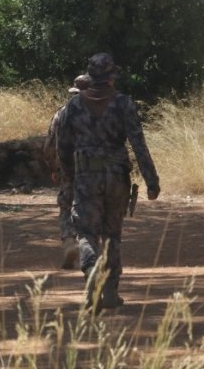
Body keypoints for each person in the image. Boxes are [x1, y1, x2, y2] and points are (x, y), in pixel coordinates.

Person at [56, 52, 160, 310]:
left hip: (85, 178)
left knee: (87, 232)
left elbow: (63, 146)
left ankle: (91, 269)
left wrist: (68, 176)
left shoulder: (73, 106)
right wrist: (151, 180)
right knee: (112, 234)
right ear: (111, 77)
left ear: (90, 77)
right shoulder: (123, 103)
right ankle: (111, 292)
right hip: (116, 177)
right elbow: (138, 144)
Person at [44, 74, 91, 269]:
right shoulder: (100, 113)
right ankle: (89, 246)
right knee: (90, 207)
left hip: (67, 168)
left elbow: (49, 145)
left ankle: (70, 242)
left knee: (65, 206)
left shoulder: (60, 114)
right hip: (93, 170)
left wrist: (53, 167)